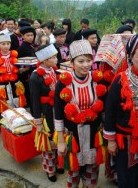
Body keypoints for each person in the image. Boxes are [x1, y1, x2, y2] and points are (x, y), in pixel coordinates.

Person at [103, 33, 138, 188]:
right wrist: (111, 140)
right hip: (126, 140)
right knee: (127, 178)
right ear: (131, 56)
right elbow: (110, 111)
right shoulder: (120, 80)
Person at [54, 40, 107, 188]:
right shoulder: (63, 83)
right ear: (72, 62)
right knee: (74, 172)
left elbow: (103, 109)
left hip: (93, 133)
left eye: (89, 60)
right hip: (73, 134)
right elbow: (58, 112)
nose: (86, 65)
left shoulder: (97, 79)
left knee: (92, 171)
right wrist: (61, 141)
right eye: (81, 61)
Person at [30, 44, 62, 182]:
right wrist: (38, 122)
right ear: (43, 60)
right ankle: (50, 170)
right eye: (53, 57)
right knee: (48, 140)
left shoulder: (56, 71)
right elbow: (34, 101)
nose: (56, 59)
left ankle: (59, 163)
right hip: (46, 112)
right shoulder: (35, 77)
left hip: (57, 110)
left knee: (59, 137)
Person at [0, 34, 26, 113]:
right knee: (5, 106)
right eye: (3, 44)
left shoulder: (14, 54)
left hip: (15, 83)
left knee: (17, 103)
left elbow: (18, 68)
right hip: (2, 85)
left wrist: (25, 68)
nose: (6, 46)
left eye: (8, 44)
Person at [17, 26, 36, 110]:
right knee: (30, 93)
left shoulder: (30, 45)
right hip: (26, 73)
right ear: (23, 36)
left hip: (30, 71)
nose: (30, 37)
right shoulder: (23, 47)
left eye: (32, 35)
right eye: (28, 35)